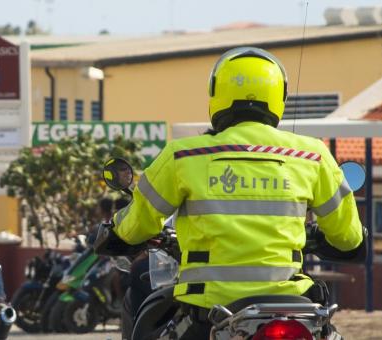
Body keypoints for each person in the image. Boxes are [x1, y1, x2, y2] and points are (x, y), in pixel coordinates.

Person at [103, 47, 365, 337]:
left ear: (216, 94)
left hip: (208, 306)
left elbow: (135, 226)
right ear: (280, 96)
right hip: (293, 302)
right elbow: (350, 239)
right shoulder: (313, 156)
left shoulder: (183, 156)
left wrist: (113, 232)